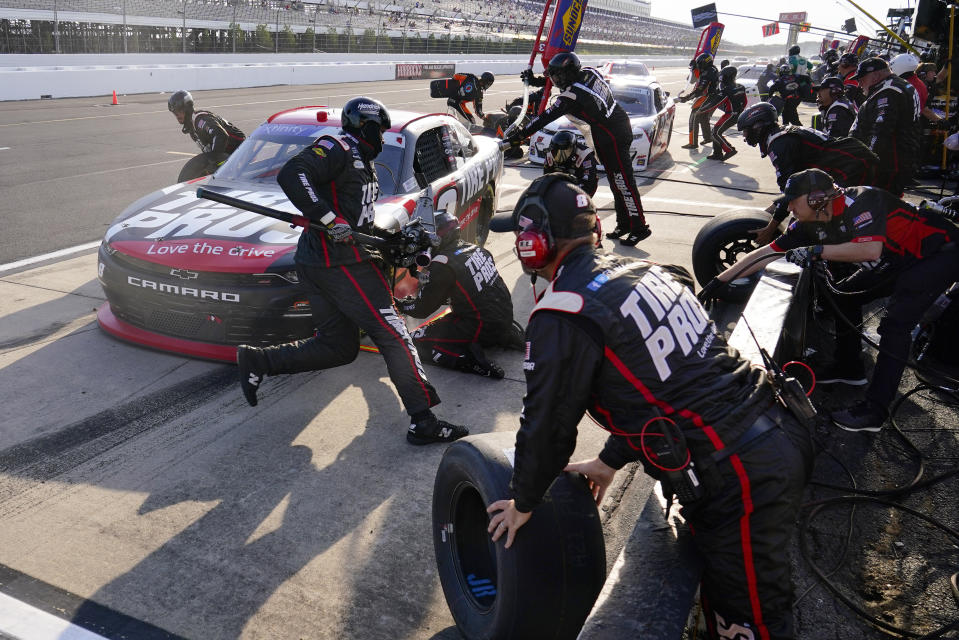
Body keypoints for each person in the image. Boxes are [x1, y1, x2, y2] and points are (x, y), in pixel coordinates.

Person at [486, 174, 813, 640]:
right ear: (595, 229)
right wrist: (608, 460)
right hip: (774, 430)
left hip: (740, 476)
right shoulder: (655, 271)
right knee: (732, 597)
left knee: (752, 622)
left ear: (535, 243)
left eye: (521, 235)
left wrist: (524, 499)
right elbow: (660, 387)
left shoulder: (564, 310)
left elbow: (548, 424)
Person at [235, 96, 468, 446]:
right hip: (338, 262)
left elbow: (357, 218)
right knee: (395, 334)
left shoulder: (362, 160)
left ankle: (258, 361)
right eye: (380, 130)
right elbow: (293, 173)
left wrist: (391, 238)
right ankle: (423, 420)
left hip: (327, 260)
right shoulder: (338, 145)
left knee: (339, 346)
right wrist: (328, 219)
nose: (382, 138)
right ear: (369, 125)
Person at [700, 168, 959, 433]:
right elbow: (766, 253)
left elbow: (869, 249)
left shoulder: (862, 201)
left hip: (936, 253)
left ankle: (875, 411)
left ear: (815, 199)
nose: (788, 206)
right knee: (843, 297)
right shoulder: (809, 222)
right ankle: (850, 367)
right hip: (897, 259)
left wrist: (816, 251)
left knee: (895, 327)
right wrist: (718, 283)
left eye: (793, 200)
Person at [511, 52, 651, 246]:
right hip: (614, 128)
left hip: (612, 138)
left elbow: (543, 118)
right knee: (615, 182)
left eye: (559, 76)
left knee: (623, 182)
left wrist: (517, 136)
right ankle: (624, 223)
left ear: (569, 73)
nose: (556, 80)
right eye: (554, 76)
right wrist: (537, 81)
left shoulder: (572, 96)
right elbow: (564, 84)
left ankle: (640, 227)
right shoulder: (590, 72)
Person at [397, 211, 525, 379]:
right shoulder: (477, 249)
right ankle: (505, 336)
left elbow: (421, 310)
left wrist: (396, 303)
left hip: (480, 326)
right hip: (504, 318)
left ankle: (471, 360)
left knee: (413, 341)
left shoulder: (443, 265)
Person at [737, 101, 880, 244]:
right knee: (809, 213)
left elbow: (789, 194)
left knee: (825, 216)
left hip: (853, 165)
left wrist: (770, 229)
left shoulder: (779, 145)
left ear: (758, 126)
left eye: (746, 130)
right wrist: (767, 214)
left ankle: (846, 254)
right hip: (851, 161)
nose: (744, 135)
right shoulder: (781, 135)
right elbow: (792, 188)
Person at [850, 57, 921, 197]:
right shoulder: (899, 85)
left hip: (887, 165)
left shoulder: (889, 91)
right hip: (898, 161)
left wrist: (867, 160)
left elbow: (881, 131)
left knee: (879, 205)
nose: (859, 84)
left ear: (875, 75)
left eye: (861, 79)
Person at [167, 89, 246, 177]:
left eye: (179, 111)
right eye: (175, 113)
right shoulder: (192, 128)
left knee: (212, 167)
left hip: (241, 150)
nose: (177, 115)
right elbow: (208, 151)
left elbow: (221, 135)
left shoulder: (200, 119)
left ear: (187, 108)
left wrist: (213, 162)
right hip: (229, 154)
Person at [677, 52, 720, 149]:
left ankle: (693, 143)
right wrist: (694, 67)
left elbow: (700, 90)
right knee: (703, 118)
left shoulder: (707, 73)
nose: (698, 66)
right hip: (713, 97)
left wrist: (687, 98)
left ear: (704, 63)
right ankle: (708, 137)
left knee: (693, 118)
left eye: (699, 64)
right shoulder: (713, 69)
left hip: (706, 98)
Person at [709, 65, 747, 161]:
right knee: (716, 131)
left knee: (715, 133)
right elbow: (745, 101)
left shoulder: (727, 90)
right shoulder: (741, 87)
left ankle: (729, 150)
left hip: (731, 115)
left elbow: (715, 102)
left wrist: (702, 110)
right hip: (737, 114)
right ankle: (717, 153)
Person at [542, 130, 598, 195]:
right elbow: (546, 178)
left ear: (573, 148)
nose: (560, 156)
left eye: (565, 152)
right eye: (556, 152)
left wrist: (567, 192)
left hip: (580, 183)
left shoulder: (585, 155)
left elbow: (588, 184)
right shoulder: (549, 154)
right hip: (560, 184)